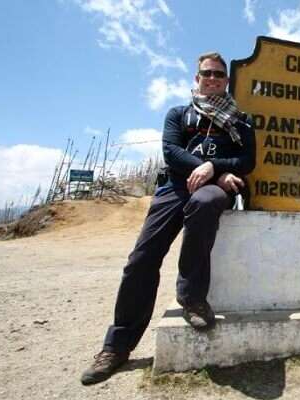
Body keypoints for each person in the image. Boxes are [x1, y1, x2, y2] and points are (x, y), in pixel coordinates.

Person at [81, 52, 255, 385]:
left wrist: (215, 170)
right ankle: (117, 347)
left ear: (227, 80)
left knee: (207, 203)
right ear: (197, 77)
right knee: (141, 260)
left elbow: (247, 160)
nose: (213, 79)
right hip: (174, 187)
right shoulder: (179, 114)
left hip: (214, 190)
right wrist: (204, 168)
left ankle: (191, 296)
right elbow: (171, 152)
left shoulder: (242, 122)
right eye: (207, 73)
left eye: (219, 74)